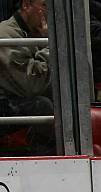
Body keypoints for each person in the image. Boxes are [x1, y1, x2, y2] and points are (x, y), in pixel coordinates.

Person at [0, 0, 54, 155]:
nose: (48, 12)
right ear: (26, 5)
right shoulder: (7, 35)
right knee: (41, 106)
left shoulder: (33, 30)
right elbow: (32, 84)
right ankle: (45, 160)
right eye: (44, 5)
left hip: (16, 97)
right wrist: (48, 45)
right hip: (5, 103)